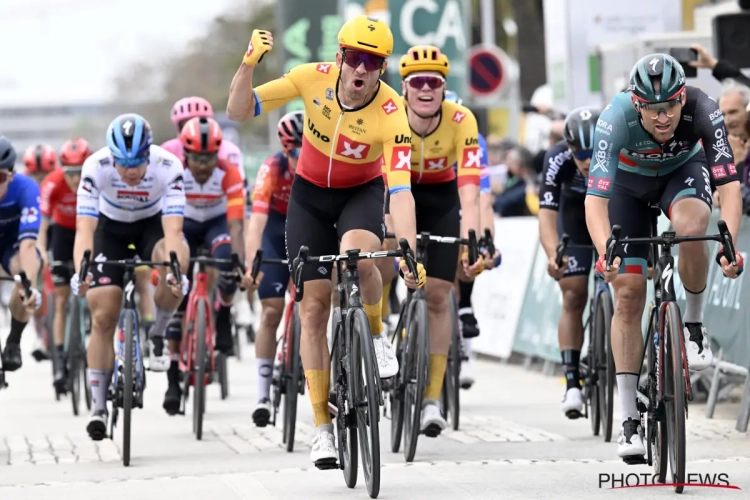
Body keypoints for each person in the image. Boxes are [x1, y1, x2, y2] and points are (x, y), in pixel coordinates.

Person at [227, 16, 424, 468]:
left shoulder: (393, 114)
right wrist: (248, 65)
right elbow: (239, 110)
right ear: (339, 58)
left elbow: (400, 189)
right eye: (354, 58)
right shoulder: (309, 79)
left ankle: (374, 335)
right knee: (312, 308)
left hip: (361, 193)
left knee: (359, 259)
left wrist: (409, 250)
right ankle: (321, 429)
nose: (361, 70)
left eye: (372, 62)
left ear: (383, 68)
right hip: (309, 199)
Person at [585, 54, 744, 460]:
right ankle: (628, 421)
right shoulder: (613, 118)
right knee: (629, 294)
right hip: (627, 188)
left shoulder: (704, 108)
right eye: (653, 109)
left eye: (671, 106)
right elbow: (595, 202)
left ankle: (692, 326)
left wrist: (727, 245)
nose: (663, 117)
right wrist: (607, 252)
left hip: (682, 172)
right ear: (636, 104)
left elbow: (729, 188)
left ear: (681, 98)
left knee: (694, 227)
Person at [71, 114, 190, 440]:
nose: (132, 170)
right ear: (112, 156)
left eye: (139, 161)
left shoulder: (168, 166)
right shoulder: (96, 167)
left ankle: (159, 333)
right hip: (110, 230)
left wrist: (176, 270)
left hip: (152, 224)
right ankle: (97, 406)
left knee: (173, 266)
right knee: (104, 312)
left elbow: (174, 230)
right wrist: (82, 271)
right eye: (124, 163)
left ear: (148, 153)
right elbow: (85, 228)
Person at [396, 45, 485, 436]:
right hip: (394, 191)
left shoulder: (462, 119)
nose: (426, 88)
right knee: (380, 260)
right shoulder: (391, 115)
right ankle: (379, 332)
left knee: (437, 295)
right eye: (418, 81)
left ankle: (431, 398)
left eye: (434, 82)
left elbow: (470, 188)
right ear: (405, 88)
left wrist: (473, 236)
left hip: (441, 198)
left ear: (444, 88)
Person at [161, 116, 246, 414]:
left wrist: (238, 263)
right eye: (196, 158)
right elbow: (164, 226)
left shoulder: (229, 172)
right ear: (185, 155)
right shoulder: (173, 172)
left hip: (216, 224)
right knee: (176, 294)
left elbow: (236, 227)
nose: (202, 166)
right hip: (183, 224)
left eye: (209, 158)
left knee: (227, 261)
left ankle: (222, 313)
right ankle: (173, 379)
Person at [538, 107, 600, 419]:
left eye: (593, 152)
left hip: (610, 211)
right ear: (569, 148)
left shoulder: (619, 149)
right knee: (574, 294)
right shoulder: (558, 158)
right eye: (580, 154)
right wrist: (553, 256)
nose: (587, 161)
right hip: (573, 217)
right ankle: (572, 382)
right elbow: (547, 218)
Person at [245, 111, 302, 426]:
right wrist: (253, 262)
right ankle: (263, 395)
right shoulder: (272, 168)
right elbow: (256, 222)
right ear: (284, 149)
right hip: (274, 231)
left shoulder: (323, 165)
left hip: (307, 229)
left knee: (319, 301)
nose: (302, 157)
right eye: (295, 151)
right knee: (270, 311)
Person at [442, 89, 500, 389]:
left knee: (468, 248)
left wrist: (486, 241)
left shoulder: (473, 142)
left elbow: (483, 198)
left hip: (463, 199)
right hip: (429, 198)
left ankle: (464, 313)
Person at [38, 138, 93, 393]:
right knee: (60, 300)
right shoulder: (52, 183)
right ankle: (60, 360)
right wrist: (39, 250)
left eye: (80, 172)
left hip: (88, 232)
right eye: (70, 173)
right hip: (62, 233)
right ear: (62, 170)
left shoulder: (94, 181)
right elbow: (43, 224)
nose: (76, 178)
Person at [0, 137, 45, 371]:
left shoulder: (26, 188)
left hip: (13, 245)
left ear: (11, 174)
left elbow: (28, 244)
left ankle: (14, 342)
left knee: (26, 273)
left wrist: (29, 287)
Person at [22, 144, 58, 360]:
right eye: (36, 175)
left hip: (56, 228)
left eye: (44, 174)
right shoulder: (23, 184)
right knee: (37, 275)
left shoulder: (59, 181)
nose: (40, 179)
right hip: (33, 230)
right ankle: (38, 332)